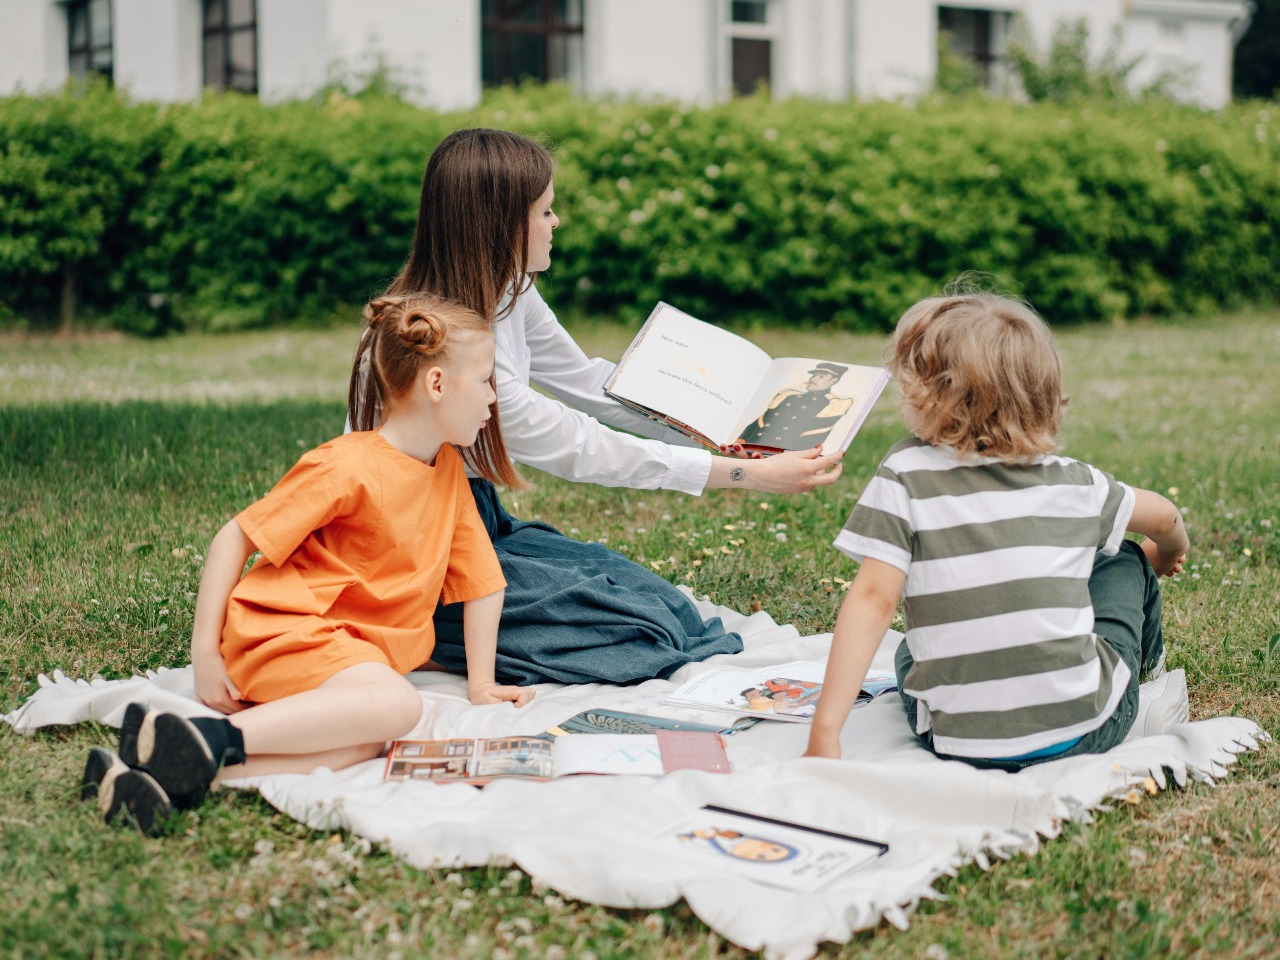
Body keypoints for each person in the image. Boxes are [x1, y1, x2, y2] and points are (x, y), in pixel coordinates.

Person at [373, 128, 846, 686]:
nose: (556, 223)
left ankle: (463, 628)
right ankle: (424, 633)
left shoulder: (509, 291)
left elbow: (591, 385)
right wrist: (741, 474)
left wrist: (718, 428)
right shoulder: (443, 346)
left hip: (477, 519)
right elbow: (581, 445)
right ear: (499, 226)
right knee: (642, 636)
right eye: (545, 211)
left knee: (669, 610)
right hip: (415, 548)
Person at [82, 294, 534, 835]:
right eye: (485, 379)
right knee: (397, 705)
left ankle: (186, 772)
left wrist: (481, 685)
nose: (493, 396)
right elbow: (235, 537)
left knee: (368, 735)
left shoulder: (449, 472)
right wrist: (204, 652)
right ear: (437, 385)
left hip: (340, 657)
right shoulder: (347, 465)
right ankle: (213, 736)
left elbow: (482, 582)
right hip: (285, 634)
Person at [804, 290, 1190, 770]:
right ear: (1044, 394)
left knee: (909, 651)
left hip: (959, 742)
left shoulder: (905, 472)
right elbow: (1167, 519)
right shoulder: (1074, 481)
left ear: (928, 393)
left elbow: (873, 600)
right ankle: (1145, 680)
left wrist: (824, 734)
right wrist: (1165, 552)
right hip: (1087, 731)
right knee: (1123, 556)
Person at [738, 362, 855, 450]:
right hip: (755, 444)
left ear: (834, 380)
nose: (813, 379)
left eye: (821, 377)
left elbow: (813, 436)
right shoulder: (790, 396)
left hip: (783, 452)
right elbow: (763, 421)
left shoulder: (832, 405)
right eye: (813, 376)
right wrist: (743, 439)